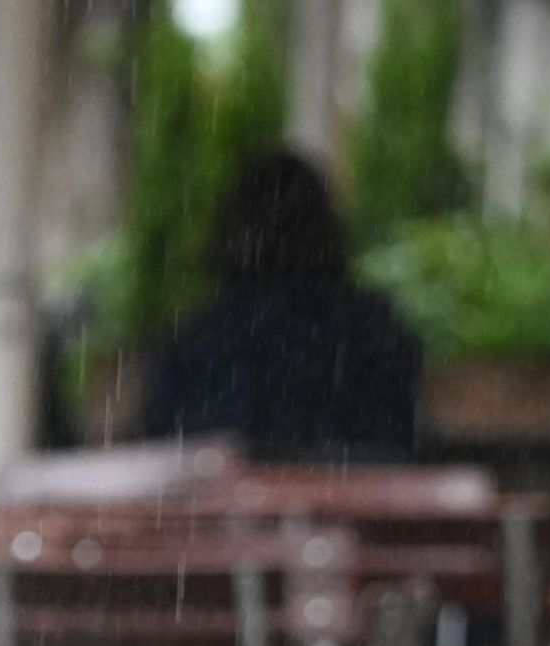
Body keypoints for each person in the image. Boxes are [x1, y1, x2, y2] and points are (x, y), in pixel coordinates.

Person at [137, 150, 422, 462]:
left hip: (225, 504)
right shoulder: (372, 330)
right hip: (358, 502)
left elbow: (168, 444)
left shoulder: (205, 340)